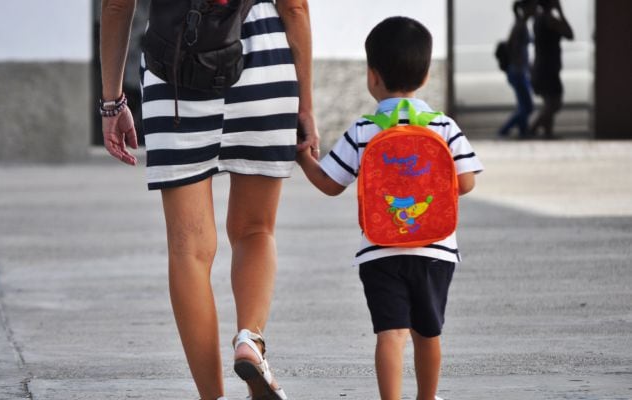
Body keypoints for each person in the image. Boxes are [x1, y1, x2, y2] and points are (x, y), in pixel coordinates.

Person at [99, 0, 319, 399]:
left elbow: (117, 6)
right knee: (255, 229)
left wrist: (112, 101)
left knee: (189, 250)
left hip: (175, 73)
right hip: (263, 62)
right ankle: (250, 341)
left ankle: (212, 396)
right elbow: (295, 7)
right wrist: (306, 105)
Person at [295, 17, 483, 400]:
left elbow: (330, 184)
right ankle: (427, 398)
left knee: (390, 333)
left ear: (372, 75)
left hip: (379, 252)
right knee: (428, 332)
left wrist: (304, 160)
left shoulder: (364, 129)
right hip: (436, 251)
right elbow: (466, 183)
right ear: (427, 74)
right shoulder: (444, 126)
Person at [530, 0, 574, 138]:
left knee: (549, 102)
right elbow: (569, 34)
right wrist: (561, 12)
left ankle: (548, 133)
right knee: (555, 103)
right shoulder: (549, 19)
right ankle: (532, 128)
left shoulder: (538, 18)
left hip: (543, 66)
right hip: (547, 68)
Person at [498, 0, 537, 138]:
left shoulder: (521, 24)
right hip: (517, 72)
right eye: (533, 6)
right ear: (526, 8)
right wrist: (523, 66)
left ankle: (523, 131)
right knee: (528, 107)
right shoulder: (520, 26)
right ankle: (504, 130)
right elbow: (514, 48)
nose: (536, 9)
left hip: (519, 71)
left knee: (524, 105)